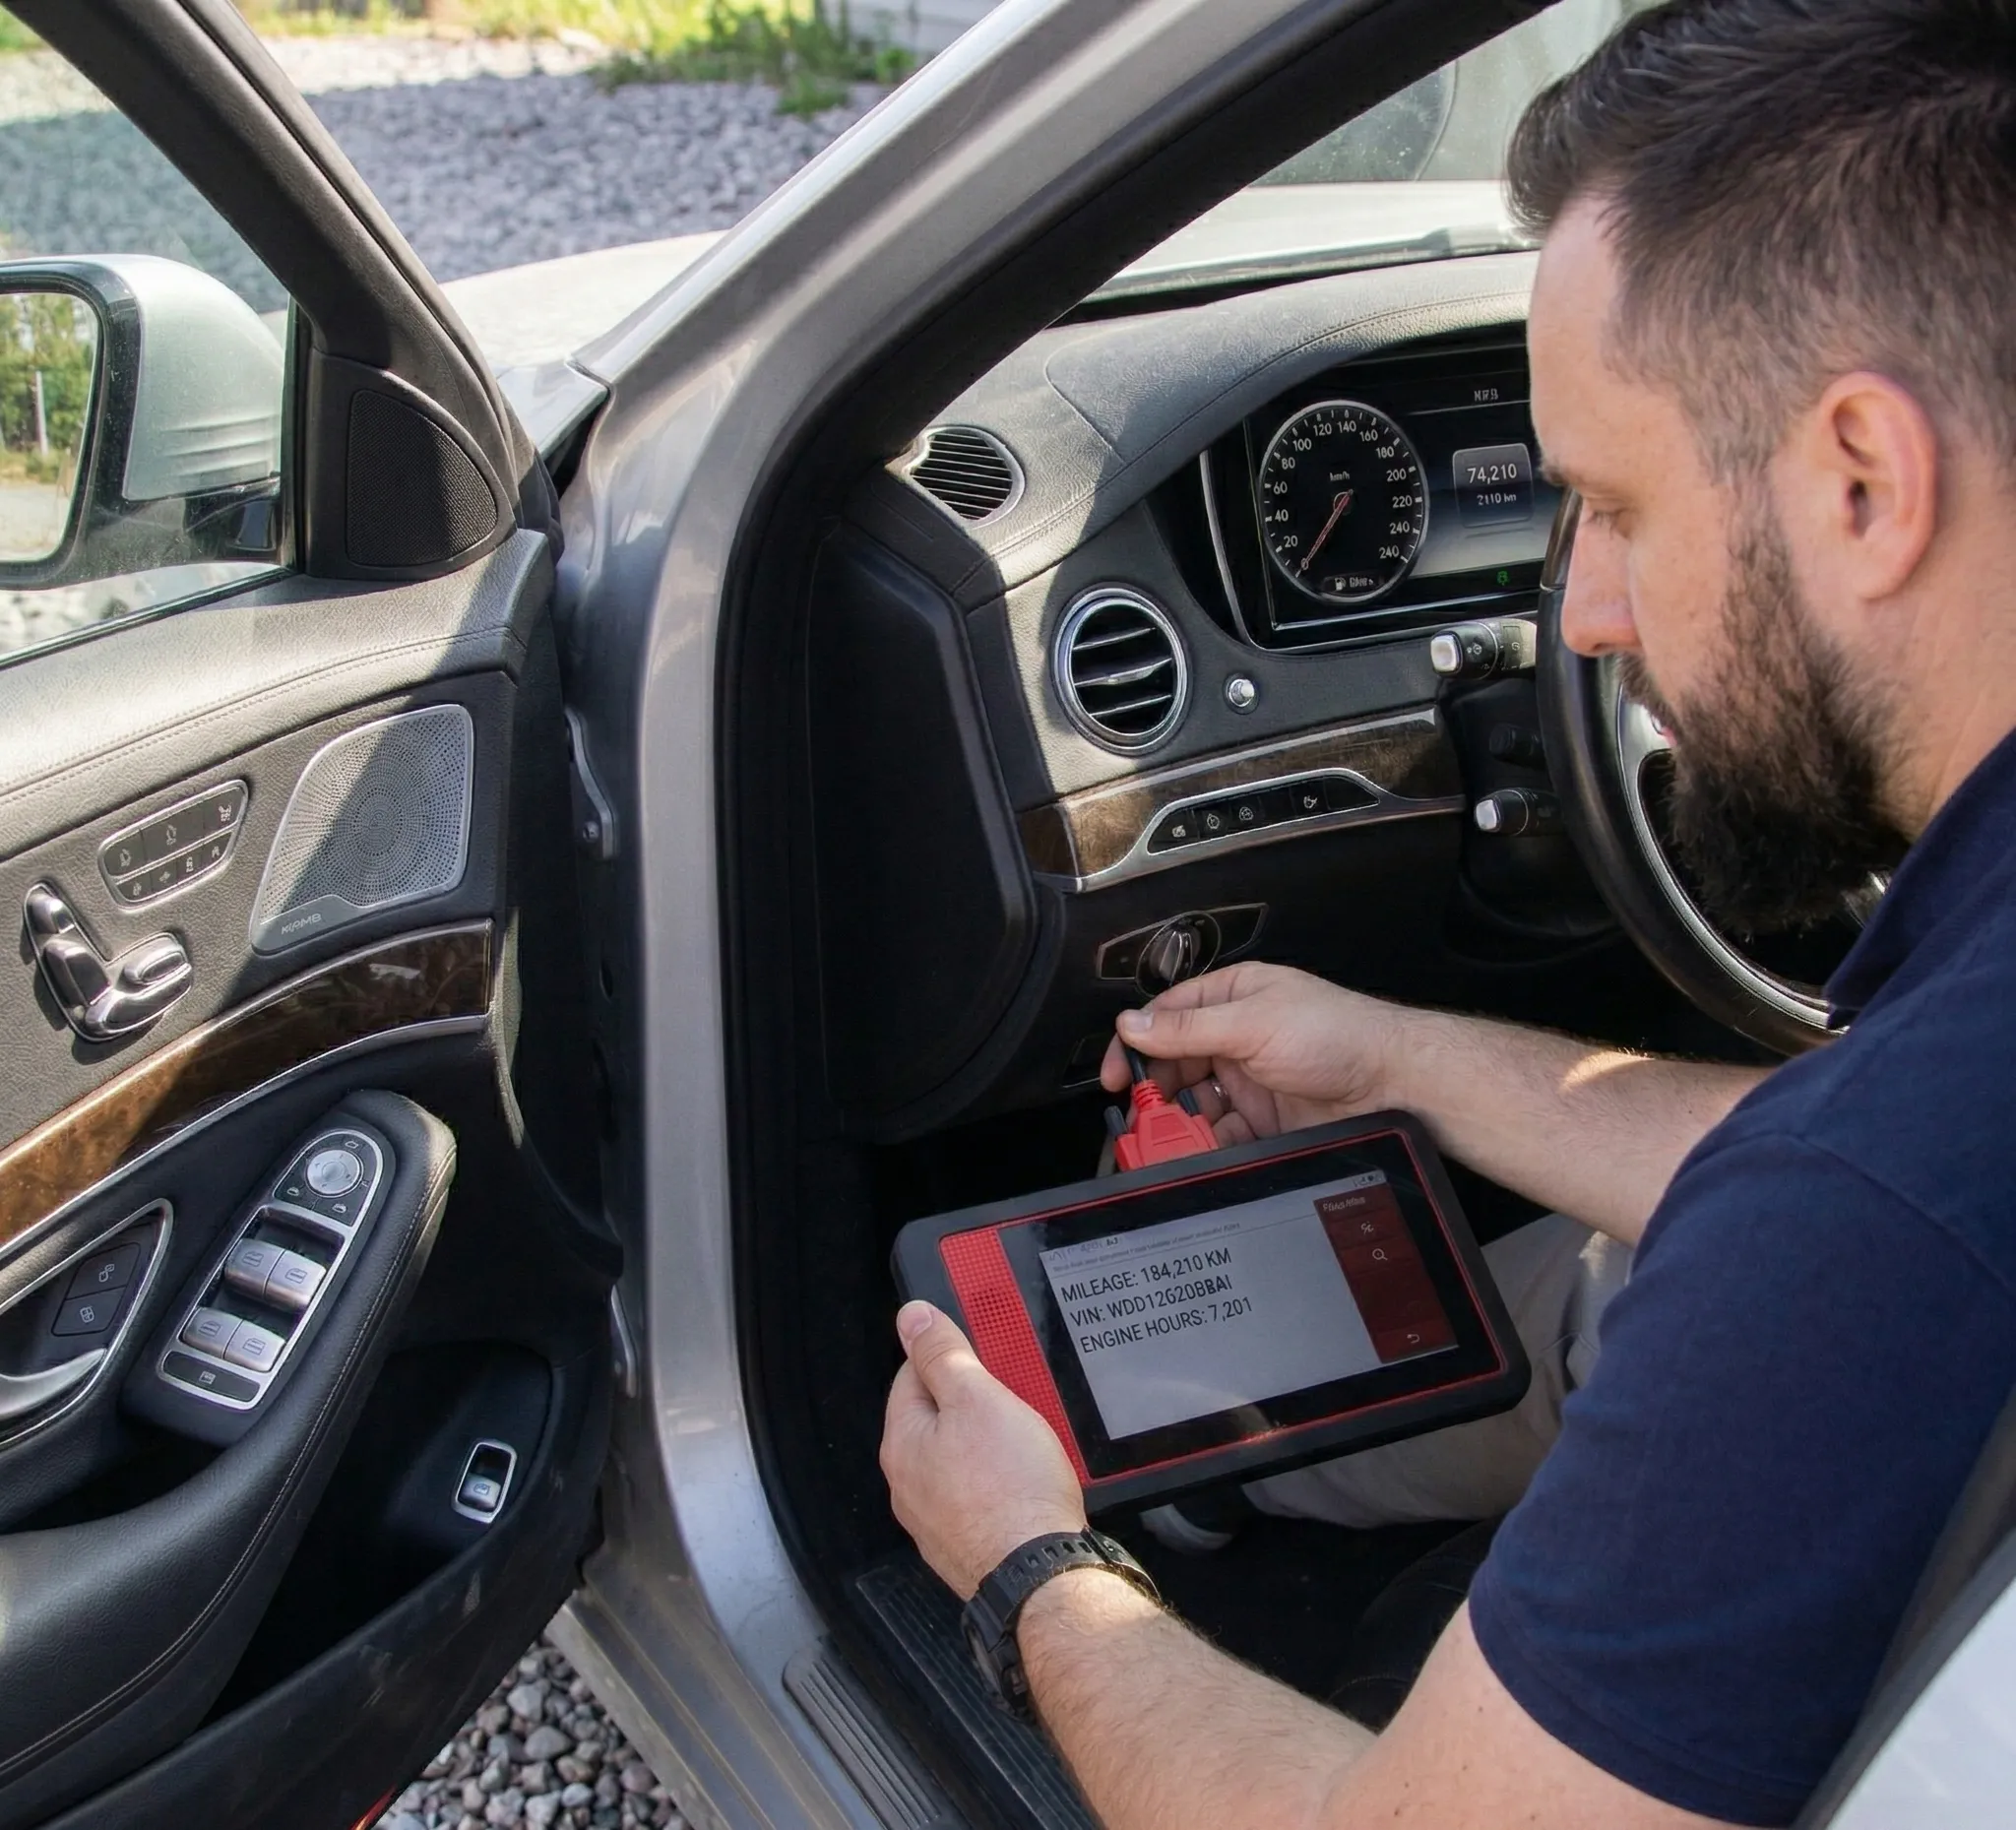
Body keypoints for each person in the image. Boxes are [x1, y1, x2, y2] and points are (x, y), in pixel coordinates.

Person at [877, 1, 2016, 1824]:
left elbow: (1859, 1215)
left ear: (1866, 483)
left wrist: (1030, 1569)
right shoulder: (1924, 1135)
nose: (1584, 619)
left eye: (1616, 506)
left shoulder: (1858, 1223)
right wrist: (1400, 1052)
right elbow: (1891, 1189)